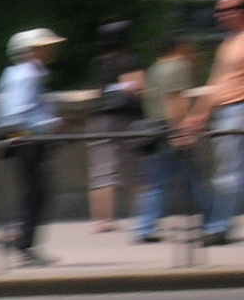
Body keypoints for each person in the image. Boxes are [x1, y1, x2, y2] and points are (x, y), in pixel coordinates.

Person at [0, 27, 64, 266]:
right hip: (26, 139)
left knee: (34, 193)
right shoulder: (27, 75)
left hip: (27, 139)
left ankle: (21, 241)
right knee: (36, 193)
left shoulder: (26, 73)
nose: (51, 50)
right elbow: (15, 114)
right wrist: (50, 123)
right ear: (32, 50)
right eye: (46, 47)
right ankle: (23, 245)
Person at [179, 0, 244, 245]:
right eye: (218, 11)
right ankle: (218, 225)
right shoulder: (228, 44)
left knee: (228, 175)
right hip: (226, 111)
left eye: (226, 10)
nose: (220, 15)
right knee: (228, 174)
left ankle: (218, 227)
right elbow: (215, 84)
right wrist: (196, 117)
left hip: (238, 110)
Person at [134, 31, 207, 242]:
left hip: (155, 128)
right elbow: (175, 100)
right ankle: (211, 222)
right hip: (172, 127)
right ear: (180, 46)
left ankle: (144, 227)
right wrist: (182, 130)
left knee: (156, 181)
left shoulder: (155, 68)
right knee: (192, 180)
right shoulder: (179, 66)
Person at [86, 20, 144, 232]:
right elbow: (137, 87)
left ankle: (102, 220)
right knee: (133, 168)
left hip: (99, 118)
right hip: (125, 119)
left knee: (101, 170)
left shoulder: (98, 63)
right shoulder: (130, 60)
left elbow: (96, 91)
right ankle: (142, 217)